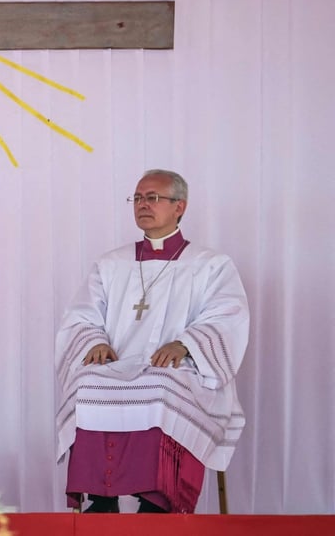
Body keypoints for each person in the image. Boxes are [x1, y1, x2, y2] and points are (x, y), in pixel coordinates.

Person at [55, 169, 250, 513]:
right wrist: (94, 341)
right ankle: (102, 500)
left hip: (179, 366)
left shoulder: (210, 265)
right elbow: (81, 315)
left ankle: (158, 500)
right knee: (87, 383)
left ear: (180, 207)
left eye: (154, 198)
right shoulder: (111, 264)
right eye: (138, 198)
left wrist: (186, 343)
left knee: (161, 388)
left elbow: (226, 315)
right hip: (118, 363)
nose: (143, 205)